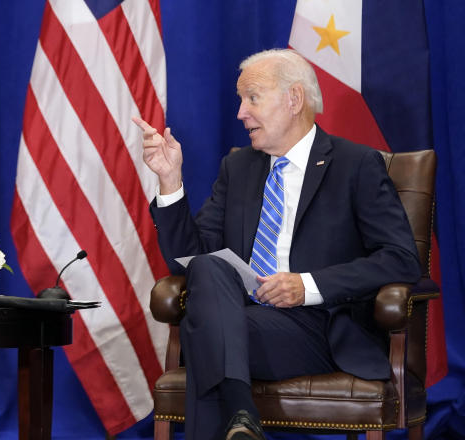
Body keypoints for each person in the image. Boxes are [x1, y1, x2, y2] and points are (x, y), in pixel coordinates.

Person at [133, 48, 420, 440]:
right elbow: (191, 260)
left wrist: (308, 285)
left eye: (252, 97)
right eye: (240, 100)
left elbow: (402, 260)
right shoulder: (238, 168)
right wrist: (170, 181)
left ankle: (238, 412)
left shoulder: (356, 166)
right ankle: (241, 413)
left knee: (206, 335)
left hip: (317, 327)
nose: (240, 113)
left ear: (294, 99)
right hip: (238, 315)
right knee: (209, 272)